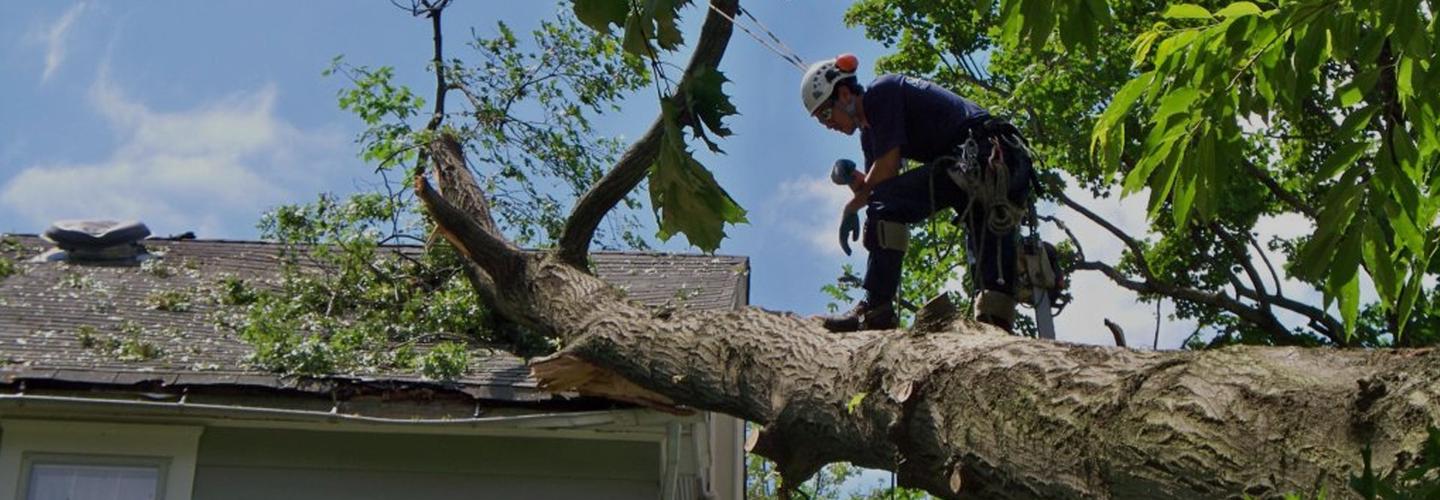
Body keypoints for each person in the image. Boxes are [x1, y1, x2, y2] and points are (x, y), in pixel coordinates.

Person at [803, 54, 1035, 333]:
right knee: (985, 246)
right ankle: (994, 327)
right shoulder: (870, 134)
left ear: (843, 93)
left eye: (826, 115)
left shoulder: (881, 92)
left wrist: (852, 208)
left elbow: (885, 176)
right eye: (821, 122)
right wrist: (852, 179)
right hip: (984, 161)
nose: (829, 125)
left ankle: (876, 309)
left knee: (888, 205)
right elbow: (880, 184)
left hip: (984, 154)